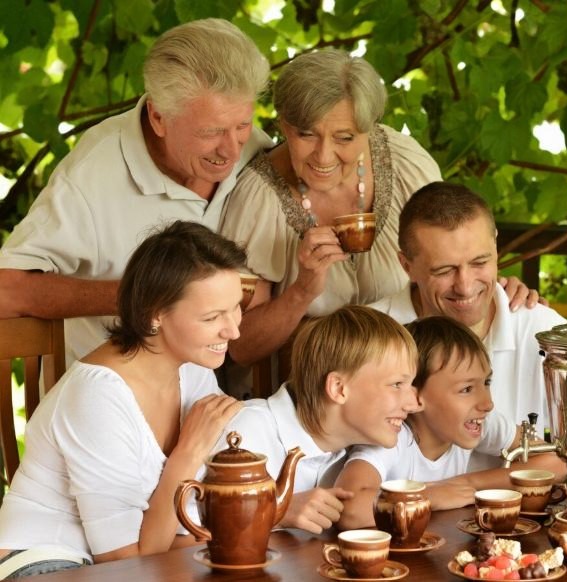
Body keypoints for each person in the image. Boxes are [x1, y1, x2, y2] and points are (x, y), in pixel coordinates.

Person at [370, 181, 567, 528]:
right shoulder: (371, 336)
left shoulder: (545, 331)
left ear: (496, 246)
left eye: (480, 262)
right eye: (444, 270)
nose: (465, 286)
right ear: (406, 265)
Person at [219, 48, 538, 375]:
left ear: (370, 128)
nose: (324, 156)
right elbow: (242, 348)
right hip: (308, 384)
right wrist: (303, 291)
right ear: (284, 126)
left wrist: (496, 293)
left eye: (345, 137)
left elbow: (453, 259)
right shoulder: (257, 200)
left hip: (413, 377)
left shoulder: (404, 164)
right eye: (306, 134)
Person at [0, 18, 272, 368]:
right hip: (107, 389)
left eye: (242, 125)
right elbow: (7, 289)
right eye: (211, 132)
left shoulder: (255, 149)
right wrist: (145, 294)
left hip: (213, 388)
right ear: (158, 117)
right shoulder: (92, 173)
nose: (232, 151)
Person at [0, 221, 246, 577]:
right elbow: (125, 562)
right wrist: (188, 453)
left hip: (131, 560)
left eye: (236, 307)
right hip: (45, 560)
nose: (233, 330)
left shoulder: (193, 366)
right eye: (212, 317)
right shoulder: (97, 397)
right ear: (154, 314)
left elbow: (192, 518)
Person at [335, 315, 567, 529]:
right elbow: (349, 509)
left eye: (486, 383)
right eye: (466, 389)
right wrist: (431, 495)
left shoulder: (479, 422)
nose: (487, 403)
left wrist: (468, 483)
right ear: (415, 396)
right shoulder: (390, 437)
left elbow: (557, 463)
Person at [215, 304, 421, 534]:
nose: (413, 405)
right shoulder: (247, 431)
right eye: (397, 384)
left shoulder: (358, 445)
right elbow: (188, 532)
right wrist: (276, 511)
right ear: (338, 388)